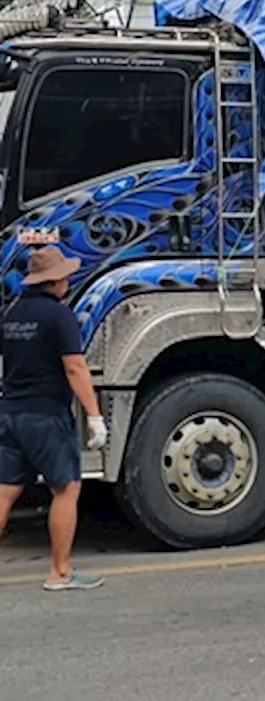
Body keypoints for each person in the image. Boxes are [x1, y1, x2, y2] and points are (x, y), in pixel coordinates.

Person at [0, 246, 108, 591]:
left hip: (10, 412)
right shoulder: (59, 316)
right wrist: (94, 416)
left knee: (4, 493)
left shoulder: (11, 313)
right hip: (46, 415)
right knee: (66, 489)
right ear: (56, 279)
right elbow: (74, 367)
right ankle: (60, 572)